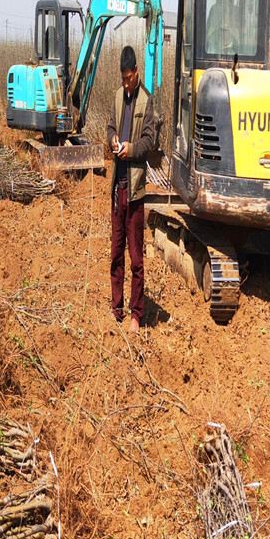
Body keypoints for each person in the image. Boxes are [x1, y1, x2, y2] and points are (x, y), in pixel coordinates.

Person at [106, 46, 155, 333]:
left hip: (135, 190)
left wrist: (131, 149)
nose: (126, 83)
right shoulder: (115, 97)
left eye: (129, 78)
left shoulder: (146, 101)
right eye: (123, 79)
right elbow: (110, 126)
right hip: (117, 189)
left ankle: (136, 315)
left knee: (136, 256)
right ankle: (117, 308)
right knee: (115, 253)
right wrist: (113, 140)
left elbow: (150, 141)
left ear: (136, 72)